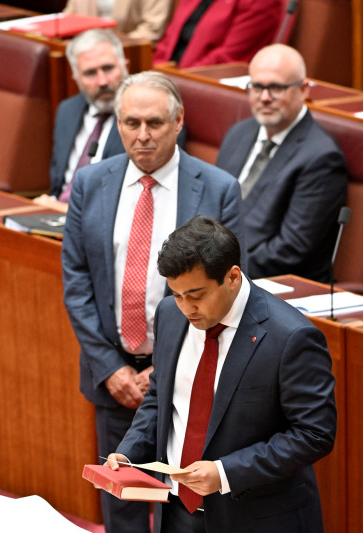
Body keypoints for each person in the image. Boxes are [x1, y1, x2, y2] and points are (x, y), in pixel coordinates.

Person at [62, 71, 243, 533]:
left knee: (182, 502)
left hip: (185, 373)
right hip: (111, 374)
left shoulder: (218, 189)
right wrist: (110, 368)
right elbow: (77, 281)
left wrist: (162, 370)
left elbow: (228, 289)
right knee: (119, 500)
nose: (142, 136)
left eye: (155, 123)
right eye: (130, 122)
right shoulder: (89, 183)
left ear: (179, 120)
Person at [105, 215, 337, 533]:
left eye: (197, 296)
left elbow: (314, 434)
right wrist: (129, 453)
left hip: (255, 518)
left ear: (232, 277)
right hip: (175, 511)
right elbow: (161, 396)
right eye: (177, 294)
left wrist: (225, 472)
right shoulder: (170, 315)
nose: (186, 308)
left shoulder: (291, 337)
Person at [216, 44, 348, 282]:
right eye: (257, 87)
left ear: (304, 90)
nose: (264, 98)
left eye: (276, 88)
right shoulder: (239, 133)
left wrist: (220, 272)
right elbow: (213, 208)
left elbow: (291, 249)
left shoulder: (321, 157)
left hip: (274, 284)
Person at [36, 29, 129, 211]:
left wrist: (65, 211)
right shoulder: (67, 111)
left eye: (108, 68)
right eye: (90, 73)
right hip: (53, 215)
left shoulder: (146, 120)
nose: (102, 81)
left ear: (125, 66)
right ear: (76, 77)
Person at [152, 0, 282, 68]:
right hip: (169, 80)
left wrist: (177, 79)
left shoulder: (260, 2)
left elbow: (228, 58)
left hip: (203, 87)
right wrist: (156, 72)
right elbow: (169, 39)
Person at [62, 0, 172, 41]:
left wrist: (113, 44)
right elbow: (69, 15)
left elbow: (152, 28)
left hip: (130, 50)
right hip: (84, 45)